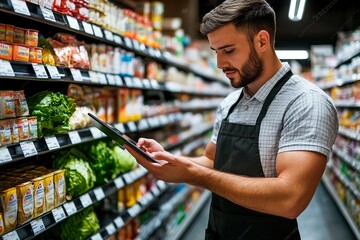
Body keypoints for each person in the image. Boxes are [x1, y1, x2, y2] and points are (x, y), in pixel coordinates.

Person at [125, 0, 339, 239]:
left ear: (262, 41)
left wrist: (193, 175)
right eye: (216, 52)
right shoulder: (230, 102)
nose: (219, 64)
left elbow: (290, 198)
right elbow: (211, 160)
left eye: (228, 50)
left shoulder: (306, 103)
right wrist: (171, 161)